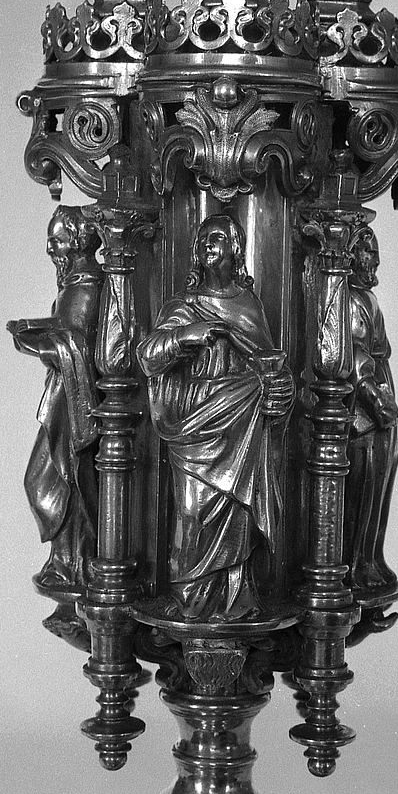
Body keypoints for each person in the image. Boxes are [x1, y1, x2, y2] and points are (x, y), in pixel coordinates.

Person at [136, 214, 294, 622]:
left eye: (218, 238)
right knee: (191, 514)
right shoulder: (183, 306)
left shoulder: (248, 305)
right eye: (203, 238)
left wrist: (279, 391)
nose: (208, 244)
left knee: (237, 515)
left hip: (240, 428)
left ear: (236, 250)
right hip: (194, 424)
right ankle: (189, 599)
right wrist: (185, 336)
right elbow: (148, 355)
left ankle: (237, 601)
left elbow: (268, 364)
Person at [7, 205, 101, 598]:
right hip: (63, 396)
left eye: (57, 240)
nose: (51, 248)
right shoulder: (73, 285)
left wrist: (33, 341)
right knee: (53, 480)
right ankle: (65, 562)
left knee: (56, 478)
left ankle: (74, 564)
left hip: (74, 404)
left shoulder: (87, 287)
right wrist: (34, 330)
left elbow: (76, 345)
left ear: (78, 242)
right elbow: (65, 334)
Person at [344, 228, 398, 595]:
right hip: (364, 411)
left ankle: (370, 558)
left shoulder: (367, 298)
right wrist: (375, 398)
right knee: (363, 486)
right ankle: (355, 564)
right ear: (351, 256)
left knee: (379, 483)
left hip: (380, 403)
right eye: (369, 252)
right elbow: (354, 355)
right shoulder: (351, 300)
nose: (374, 260)